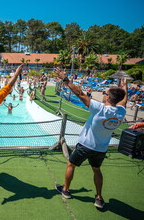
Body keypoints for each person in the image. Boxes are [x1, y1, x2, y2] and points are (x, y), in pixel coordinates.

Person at [53, 67, 127, 209]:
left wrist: (65, 79)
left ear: (108, 97)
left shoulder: (100, 108)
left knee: (71, 165)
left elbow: (79, 93)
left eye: (105, 93)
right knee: (96, 170)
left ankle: (66, 190)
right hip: (101, 148)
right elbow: (124, 100)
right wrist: (125, 87)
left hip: (86, 145)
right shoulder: (121, 112)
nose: (104, 94)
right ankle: (99, 198)